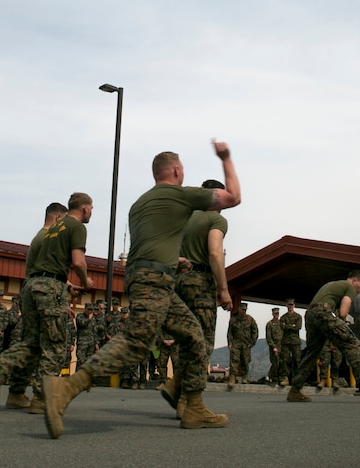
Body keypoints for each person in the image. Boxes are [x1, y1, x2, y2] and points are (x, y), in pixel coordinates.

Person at [42, 141, 241, 438]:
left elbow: (151, 245)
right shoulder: (179, 194)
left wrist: (177, 261)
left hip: (148, 276)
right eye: (182, 168)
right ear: (175, 170)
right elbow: (233, 197)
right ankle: (65, 388)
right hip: (153, 280)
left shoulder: (140, 204)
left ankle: (194, 406)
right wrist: (226, 157)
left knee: (194, 335)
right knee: (136, 343)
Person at [0, 196, 95, 413]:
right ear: (85, 208)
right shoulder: (73, 226)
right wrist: (84, 281)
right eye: (91, 209)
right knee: (53, 345)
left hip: (33, 287)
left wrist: (65, 286)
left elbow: (45, 266)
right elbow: (77, 261)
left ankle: (7, 383)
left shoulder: (49, 232)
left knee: (31, 343)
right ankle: (41, 398)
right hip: (50, 289)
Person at [286, 270, 360, 404]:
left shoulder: (332, 285)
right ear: (353, 281)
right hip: (323, 312)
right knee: (353, 344)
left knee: (312, 352)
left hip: (311, 313)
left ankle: (295, 390)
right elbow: (342, 313)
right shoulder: (349, 287)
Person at [227, 303, 258, 387]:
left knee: (245, 360)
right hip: (236, 343)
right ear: (239, 309)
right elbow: (230, 333)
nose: (243, 312)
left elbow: (255, 331)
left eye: (245, 310)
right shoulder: (233, 320)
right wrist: (230, 343)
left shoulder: (250, 319)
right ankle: (232, 377)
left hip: (246, 343)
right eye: (242, 310)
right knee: (234, 360)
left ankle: (244, 377)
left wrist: (252, 342)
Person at [279, 298, 303, 386]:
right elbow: (282, 327)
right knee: (284, 360)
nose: (290, 307)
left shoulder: (298, 317)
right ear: (286, 305)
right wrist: (292, 326)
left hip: (295, 342)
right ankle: (285, 378)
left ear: (294, 305)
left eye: (292, 305)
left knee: (297, 360)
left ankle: (297, 378)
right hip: (285, 342)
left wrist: (288, 326)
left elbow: (298, 327)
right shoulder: (283, 317)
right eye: (289, 305)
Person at [265, 308, 284, 385]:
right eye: (275, 313)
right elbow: (269, 337)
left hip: (282, 345)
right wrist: (274, 347)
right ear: (272, 314)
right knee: (275, 363)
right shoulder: (269, 324)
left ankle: (279, 378)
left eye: (277, 313)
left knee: (282, 363)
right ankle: (273, 378)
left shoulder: (281, 323)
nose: (277, 315)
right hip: (274, 346)